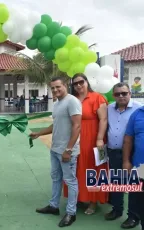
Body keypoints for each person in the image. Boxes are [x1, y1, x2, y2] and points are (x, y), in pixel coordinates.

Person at [30, 77, 82, 227]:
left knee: (70, 181)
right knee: (56, 178)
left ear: (65, 86)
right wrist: (39, 133)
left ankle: (71, 213)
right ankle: (53, 206)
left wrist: (69, 149)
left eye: (58, 87)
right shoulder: (57, 103)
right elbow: (56, 125)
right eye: (52, 88)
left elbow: (77, 126)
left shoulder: (72, 101)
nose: (55, 90)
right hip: (55, 149)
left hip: (67, 150)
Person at [63, 73, 108, 214]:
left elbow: (104, 119)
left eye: (81, 82)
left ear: (87, 82)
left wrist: (100, 138)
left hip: (94, 140)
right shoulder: (73, 99)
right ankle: (80, 198)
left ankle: (93, 202)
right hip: (76, 139)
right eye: (75, 84)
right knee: (76, 169)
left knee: (94, 170)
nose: (78, 85)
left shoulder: (97, 97)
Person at [105, 82, 141, 229]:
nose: (121, 96)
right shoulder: (109, 108)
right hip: (113, 151)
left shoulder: (139, 109)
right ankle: (117, 210)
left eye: (124, 93)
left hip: (133, 153)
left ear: (130, 93)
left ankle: (133, 217)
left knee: (134, 186)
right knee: (116, 183)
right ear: (114, 95)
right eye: (117, 94)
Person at [124, 105, 144, 230]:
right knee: (139, 200)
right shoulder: (137, 114)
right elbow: (128, 139)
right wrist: (126, 161)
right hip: (140, 167)